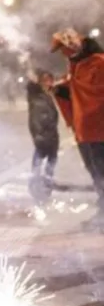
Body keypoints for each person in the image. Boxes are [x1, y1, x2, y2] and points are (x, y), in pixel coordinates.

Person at [50, 29, 104, 226]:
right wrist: (60, 89)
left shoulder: (99, 62)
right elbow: (76, 93)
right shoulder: (77, 66)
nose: (63, 53)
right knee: (95, 172)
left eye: (64, 48)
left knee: (102, 172)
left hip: (99, 130)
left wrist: (70, 88)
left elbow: (93, 92)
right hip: (86, 131)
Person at [26, 71, 60, 181]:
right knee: (41, 152)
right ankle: (37, 176)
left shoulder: (45, 95)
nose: (49, 83)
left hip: (50, 131)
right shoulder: (36, 95)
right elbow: (31, 88)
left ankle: (47, 176)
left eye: (50, 80)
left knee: (51, 155)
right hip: (42, 131)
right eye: (45, 80)